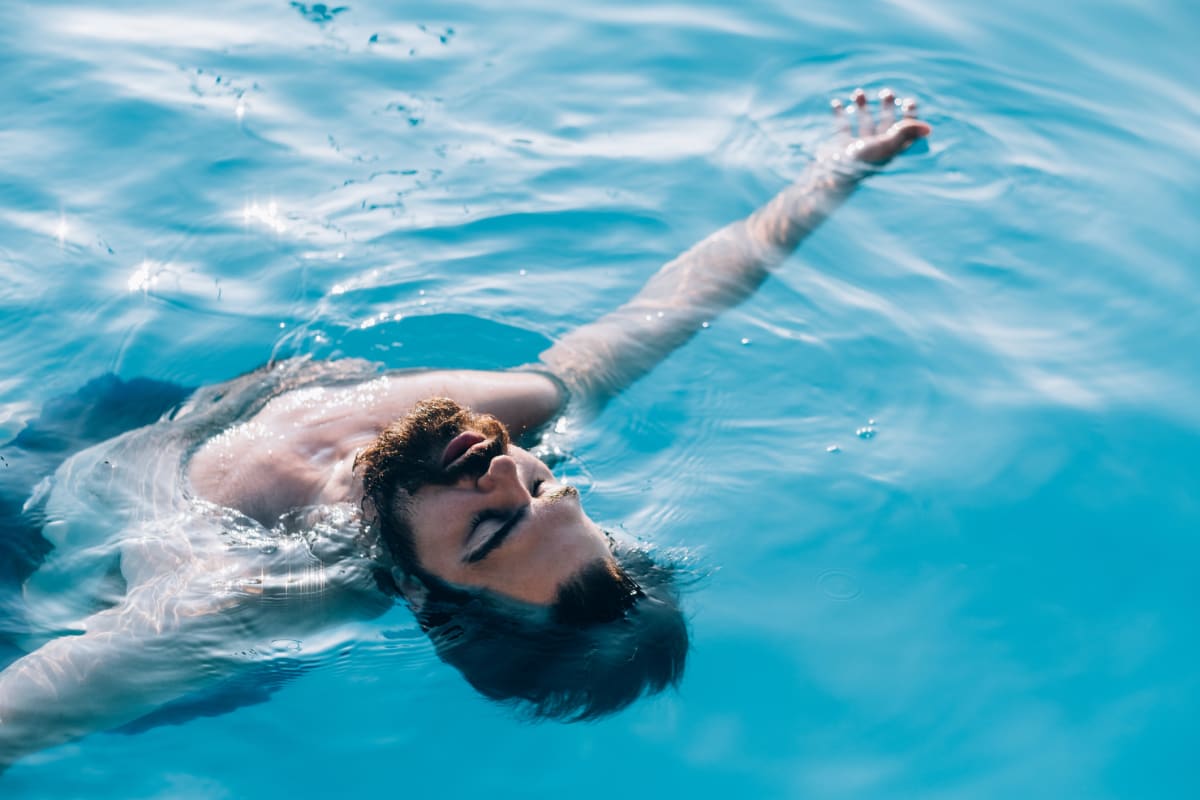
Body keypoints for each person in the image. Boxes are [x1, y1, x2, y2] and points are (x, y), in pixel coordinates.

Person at [0, 90, 929, 768]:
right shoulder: (528, 414)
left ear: (420, 594)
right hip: (153, 408)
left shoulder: (228, 595)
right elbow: (674, 306)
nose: (501, 472)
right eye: (545, 488)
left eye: (490, 529)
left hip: (45, 521)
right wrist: (835, 176)